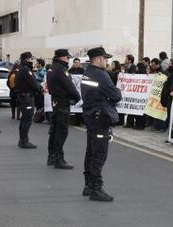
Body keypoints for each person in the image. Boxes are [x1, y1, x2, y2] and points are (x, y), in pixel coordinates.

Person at [81, 47, 122, 201]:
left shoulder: (88, 73)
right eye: (105, 58)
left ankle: (88, 185)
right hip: (100, 117)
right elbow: (116, 95)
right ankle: (96, 189)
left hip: (91, 116)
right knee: (98, 155)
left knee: (91, 152)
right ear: (98, 59)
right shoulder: (101, 74)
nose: (107, 61)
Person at [47, 49, 81, 169]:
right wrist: (77, 97)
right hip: (62, 102)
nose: (68, 59)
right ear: (62, 57)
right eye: (67, 57)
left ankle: (51, 156)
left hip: (56, 101)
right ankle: (59, 159)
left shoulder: (52, 68)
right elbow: (69, 86)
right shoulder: (61, 69)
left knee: (54, 129)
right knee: (61, 131)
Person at [15, 52, 43, 149]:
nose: (32, 60)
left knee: (24, 119)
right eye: (31, 58)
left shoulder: (20, 68)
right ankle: (24, 141)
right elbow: (33, 84)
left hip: (23, 96)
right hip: (26, 97)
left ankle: (22, 140)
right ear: (27, 59)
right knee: (27, 119)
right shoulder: (26, 70)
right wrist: (40, 88)